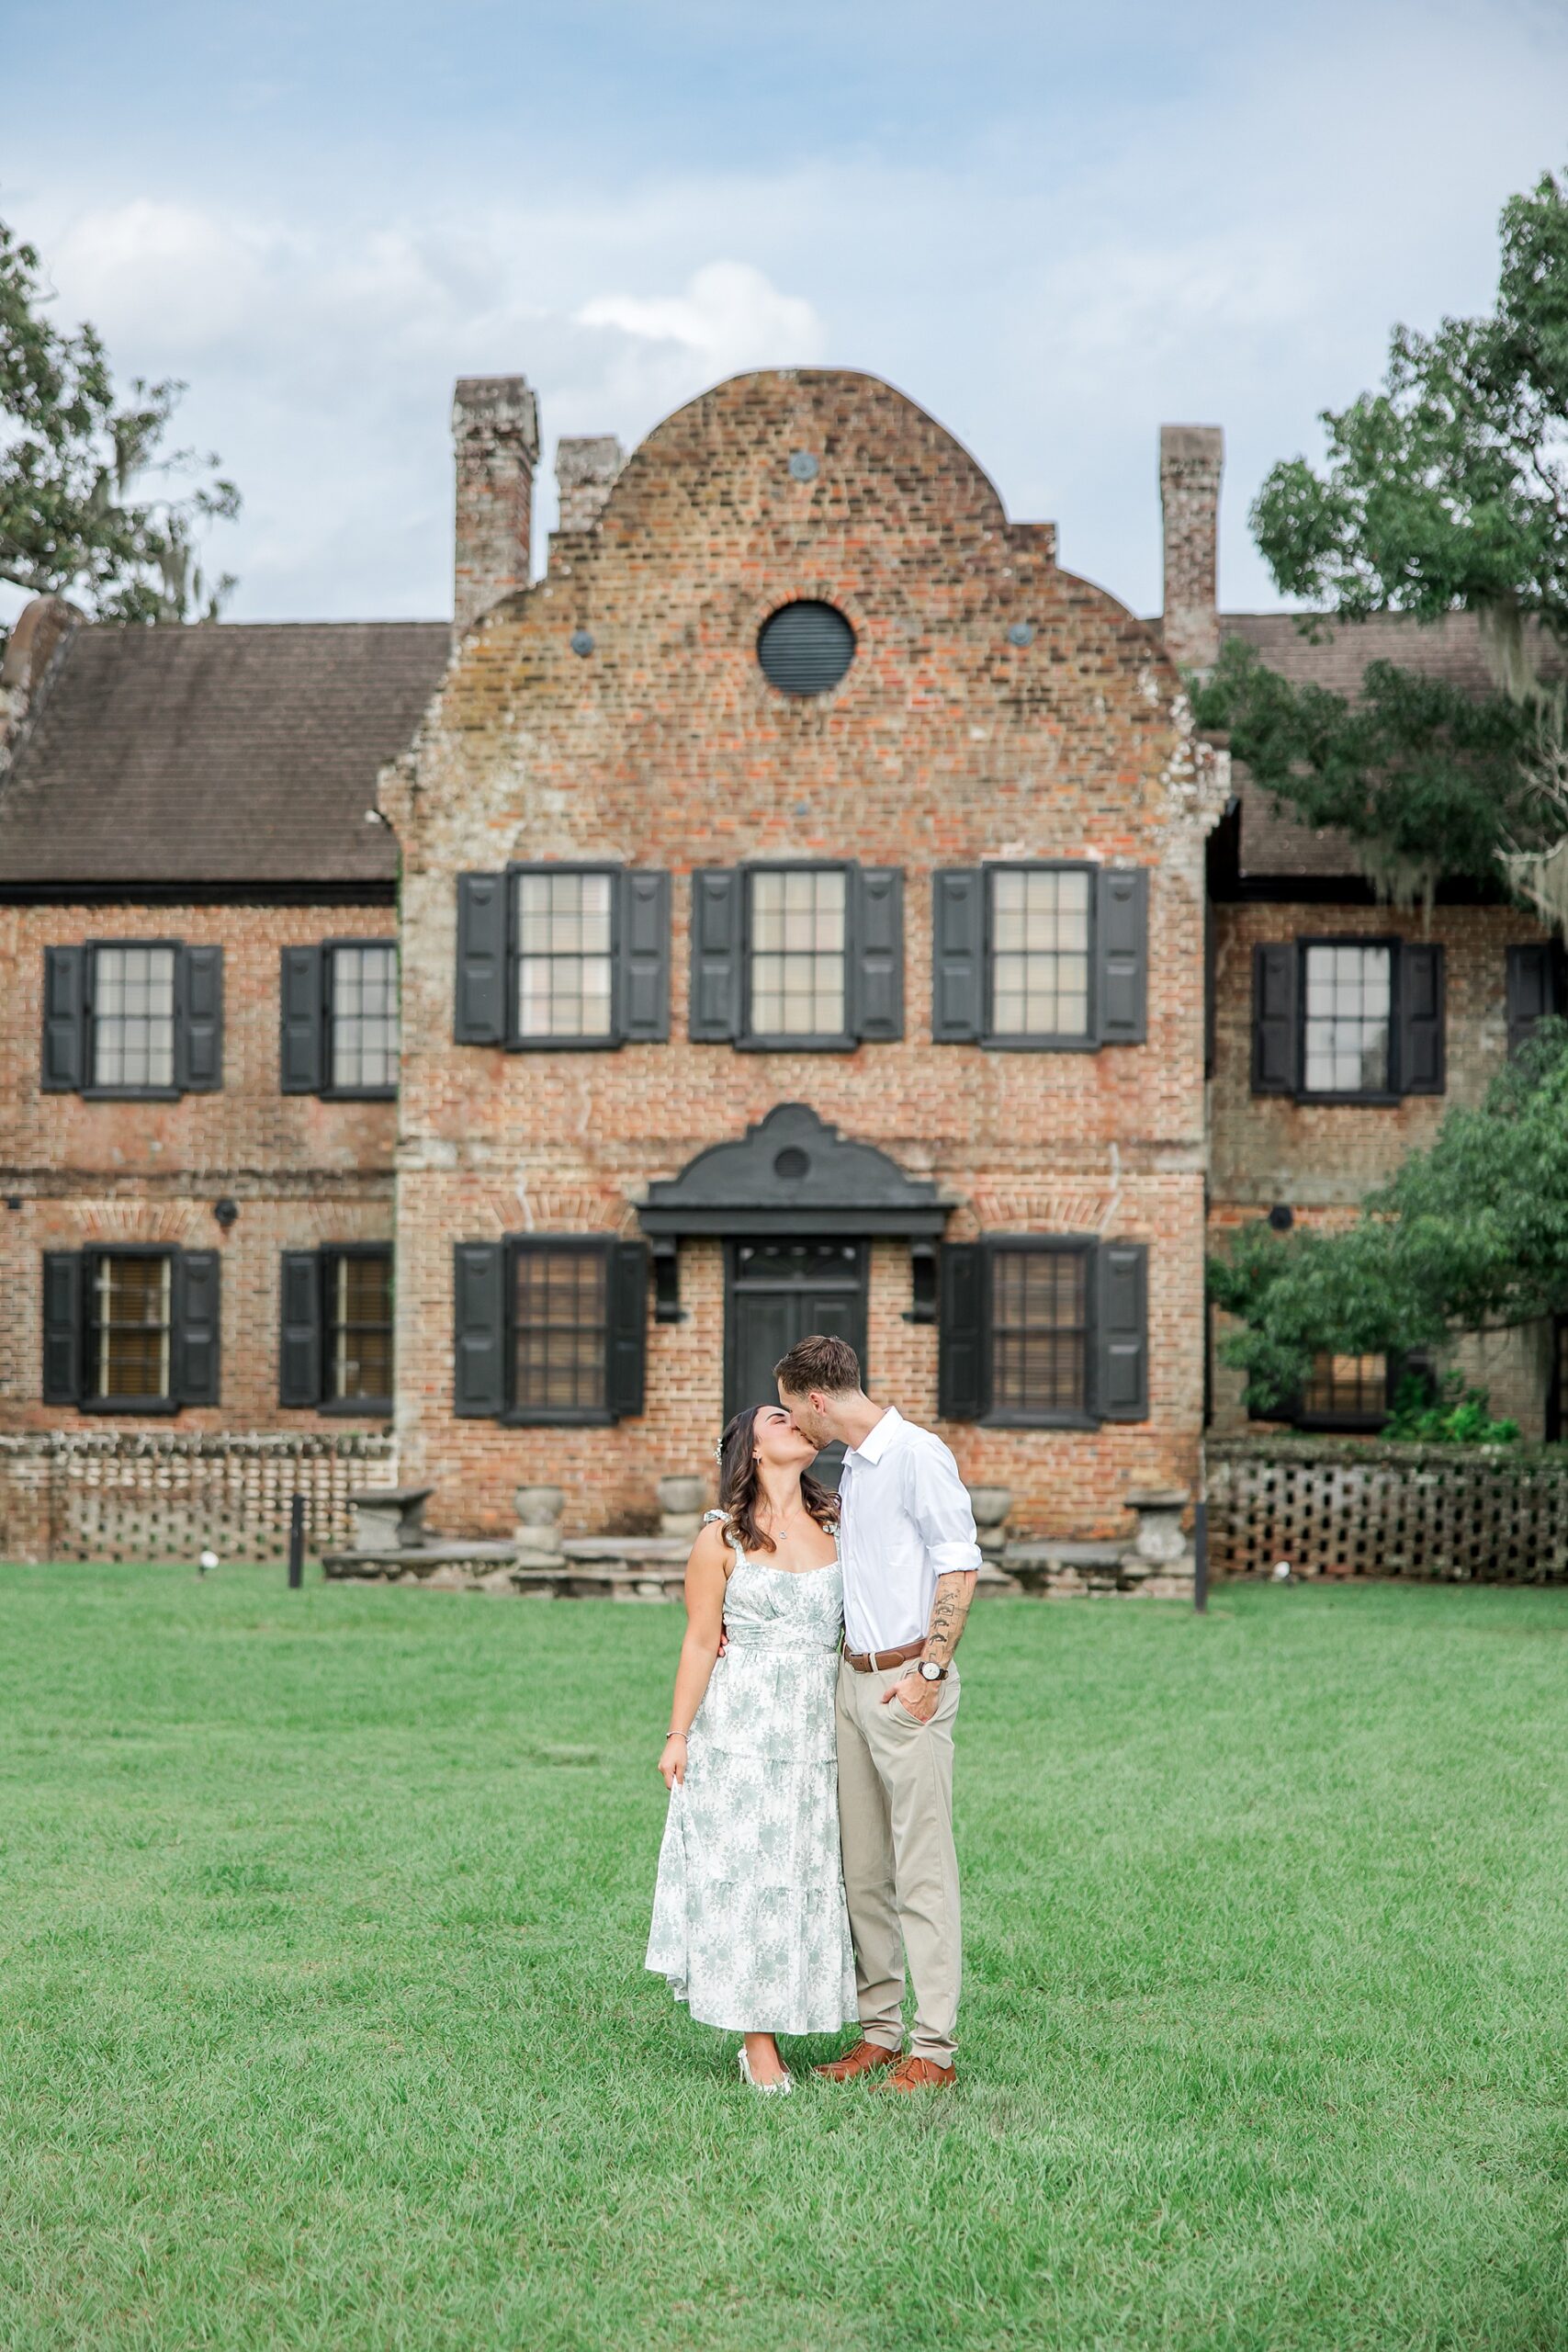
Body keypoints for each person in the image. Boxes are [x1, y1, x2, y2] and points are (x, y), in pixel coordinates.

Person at [775, 1334, 980, 2092]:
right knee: (861, 1873)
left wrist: (928, 1670)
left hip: (906, 1683)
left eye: (795, 1409)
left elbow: (959, 1562)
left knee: (921, 1869)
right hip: (851, 1682)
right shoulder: (854, 1470)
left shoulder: (916, 1455)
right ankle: (879, 2032)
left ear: (818, 1399)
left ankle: (934, 2048)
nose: (795, 1424)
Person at [645, 1402, 857, 2093]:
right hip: (739, 1731)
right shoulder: (720, 1541)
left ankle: (813, 2006)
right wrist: (677, 1734)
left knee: (807, 1871)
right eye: (776, 1416)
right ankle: (756, 2043)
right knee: (746, 1874)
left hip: (821, 1725)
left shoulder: (840, 1525)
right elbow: (701, 1640)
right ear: (752, 1448)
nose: (794, 1421)